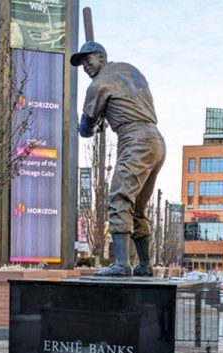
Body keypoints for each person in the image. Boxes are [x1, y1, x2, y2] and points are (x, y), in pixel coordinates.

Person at [71, 42, 165, 277]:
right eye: (82, 63)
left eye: (88, 59)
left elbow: (85, 128)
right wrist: (106, 114)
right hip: (156, 141)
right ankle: (144, 264)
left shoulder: (98, 84)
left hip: (134, 140)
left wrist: (93, 123)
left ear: (101, 57)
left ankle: (122, 264)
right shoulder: (129, 70)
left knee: (119, 198)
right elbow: (128, 101)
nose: (85, 66)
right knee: (137, 208)